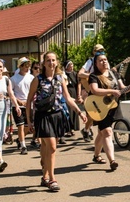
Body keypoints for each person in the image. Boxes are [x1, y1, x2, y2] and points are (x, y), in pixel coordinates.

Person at [26, 52, 87, 191]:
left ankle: (45, 175)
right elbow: (29, 100)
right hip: (43, 116)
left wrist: (79, 112)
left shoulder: (60, 79)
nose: (51, 63)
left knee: (49, 148)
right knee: (52, 147)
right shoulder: (38, 79)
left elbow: (68, 98)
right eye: (48, 60)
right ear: (43, 63)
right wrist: (29, 121)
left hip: (57, 116)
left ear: (57, 62)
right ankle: (52, 179)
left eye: (53, 60)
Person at [88, 51, 126, 171]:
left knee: (102, 132)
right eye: (100, 60)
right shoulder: (93, 76)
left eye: (105, 59)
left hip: (112, 107)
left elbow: (122, 88)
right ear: (96, 63)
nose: (104, 61)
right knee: (108, 132)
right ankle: (112, 161)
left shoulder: (113, 73)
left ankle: (96, 155)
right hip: (98, 107)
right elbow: (94, 90)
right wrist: (111, 92)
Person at [78, 44, 105, 142]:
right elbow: (80, 73)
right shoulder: (90, 62)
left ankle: (89, 131)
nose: (100, 53)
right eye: (98, 51)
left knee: (100, 112)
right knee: (91, 113)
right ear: (94, 52)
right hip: (90, 88)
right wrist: (92, 75)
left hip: (101, 89)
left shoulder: (105, 61)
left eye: (102, 51)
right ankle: (87, 130)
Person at [11, 57, 34, 154]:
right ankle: (23, 146)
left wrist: (30, 101)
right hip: (18, 106)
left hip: (29, 105)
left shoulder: (31, 78)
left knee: (28, 127)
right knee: (20, 126)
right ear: (20, 66)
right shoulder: (13, 79)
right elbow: (10, 92)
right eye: (25, 66)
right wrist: (18, 101)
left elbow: (34, 91)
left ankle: (19, 139)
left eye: (28, 65)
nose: (27, 68)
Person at [64, 60, 80, 136]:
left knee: (74, 111)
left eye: (72, 65)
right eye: (70, 65)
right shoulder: (64, 75)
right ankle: (68, 129)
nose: (71, 66)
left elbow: (78, 84)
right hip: (67, 93)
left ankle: (73, 128)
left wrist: (78, 94)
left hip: (74, 92)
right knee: (68, 111)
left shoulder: (75, 74)